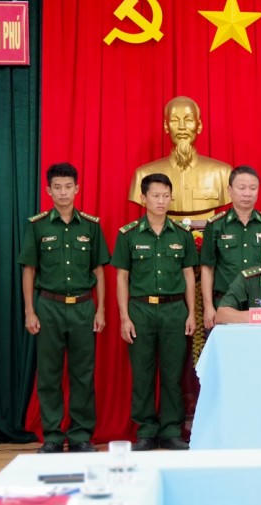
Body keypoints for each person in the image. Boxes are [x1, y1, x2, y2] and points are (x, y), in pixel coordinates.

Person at [18, 162, 109, 453]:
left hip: (83, 307)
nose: (63, 192)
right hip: (49, 306)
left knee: (83, 374)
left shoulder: (91, 226)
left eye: (68, 187)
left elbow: (98, 271)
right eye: (57, 187)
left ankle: (81, 436)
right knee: (49, 374)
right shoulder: (37, 225)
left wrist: (101, 310)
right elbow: (29, 270)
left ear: (77, 189)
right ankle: (53, 437)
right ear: (48, 190)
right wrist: (29, 310)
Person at [112, 174, 198, 451]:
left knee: (173, 374)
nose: (161, 201)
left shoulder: (182, 234)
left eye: (165, 196)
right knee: (143, 373)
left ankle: (171, 430)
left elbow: (189, 275)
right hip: (140, 310)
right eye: (155, 195)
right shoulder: (129, 235)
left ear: (171, 198)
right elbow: (122, 277)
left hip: (174, 310)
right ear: (143, 198)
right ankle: (146, 431)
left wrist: (191, 314)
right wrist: (124, 317)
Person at [199, 166, 261, 329]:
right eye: (241, 188)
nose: (247, 193)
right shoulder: (216, 225)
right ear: (230, 190)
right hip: (225, 302)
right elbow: (207, 268)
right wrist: (208, 306)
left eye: (253, 188)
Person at [128, 96, 232, 218]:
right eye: (174, 120)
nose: (182, 127)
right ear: (166, 126)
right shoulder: (143, 175)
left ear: (199, 126)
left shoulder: (223, 173)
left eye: (188, 120)